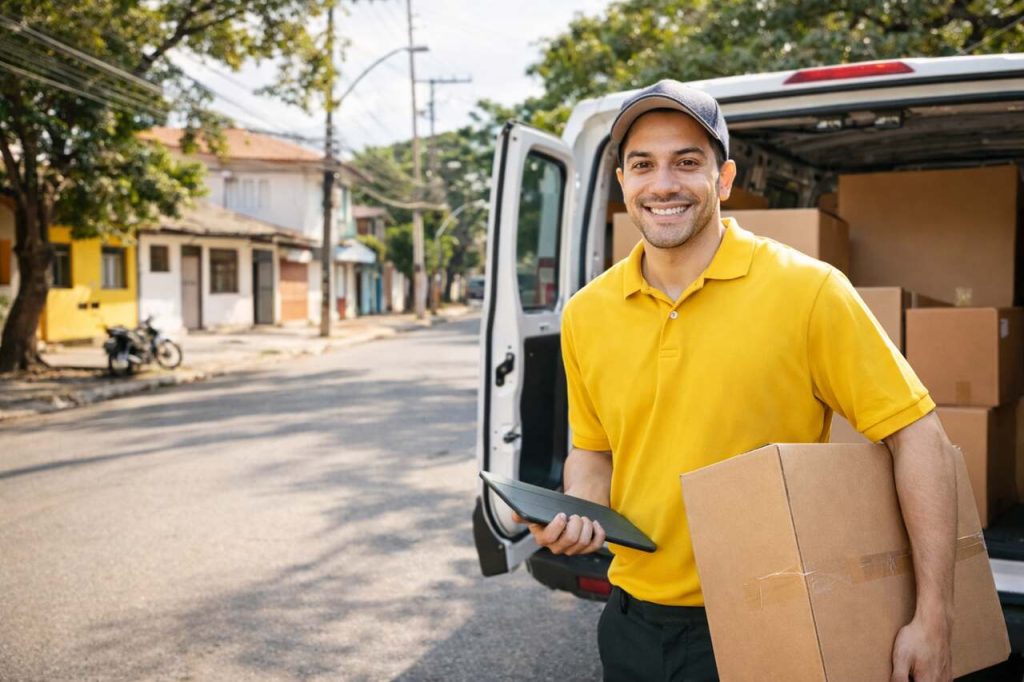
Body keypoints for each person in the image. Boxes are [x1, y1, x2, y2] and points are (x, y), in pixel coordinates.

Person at [514, 80, 958, 682]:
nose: (663, 184)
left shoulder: (807, 291)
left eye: (687, 162)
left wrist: (934, 616)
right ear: (623, 184)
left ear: (724, 180)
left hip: (772, 620)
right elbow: (594, 454)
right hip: (631, 623)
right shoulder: (587, 313)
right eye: (642, 165)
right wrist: (579, 518)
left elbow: (917, 435)